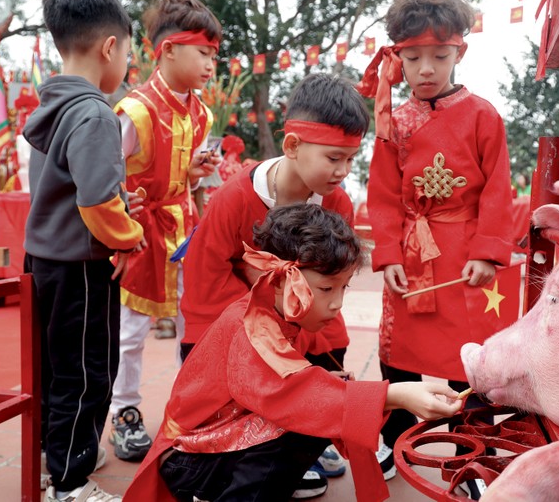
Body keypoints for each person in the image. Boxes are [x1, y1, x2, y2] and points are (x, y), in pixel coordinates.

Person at [125, 203, 463, 502]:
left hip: (212, 443)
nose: (337, 303)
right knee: (308, 418)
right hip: (189, 458)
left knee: (321, 404)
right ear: (279, 279)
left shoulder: (270, 312)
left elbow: (282, 386)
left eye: (343, 287)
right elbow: (291, 394)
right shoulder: (254, 328)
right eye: (326, 288)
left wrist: (334, 386)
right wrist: (395, 394)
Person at [178, 73, 394, 496]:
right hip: (241, 332)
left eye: (351, 159)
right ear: (293, 146)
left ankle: (303, 438)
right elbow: (205, 288)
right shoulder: (234, 198)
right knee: (257, 397)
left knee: (332, 364)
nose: (343, 171)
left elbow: (332, 284)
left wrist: (328, 368)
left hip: (305, 327)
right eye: (334, 158)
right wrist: (270, 319)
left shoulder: (338, 203)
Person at [356, 0, 514, 499]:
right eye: (414, 57)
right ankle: (391, 441)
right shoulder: (393, 123)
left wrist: (489, 253)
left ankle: (474, 454)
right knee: (398, 352)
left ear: (459, 53)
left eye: (439, 56)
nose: (427, 68)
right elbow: (381, 195)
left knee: (472, 361)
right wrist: (387, 255)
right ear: (398, 57)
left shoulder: (484, 115)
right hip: (411, 254)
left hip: (467, 256)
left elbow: (498, 188)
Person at [22, 0, 144, 502]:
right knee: (90, 372)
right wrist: (129, 236)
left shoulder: (51, 108)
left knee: (55, 368)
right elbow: (95, 205)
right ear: (109, 47)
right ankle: (70, 483)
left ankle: (58, 459)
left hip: (45, 260)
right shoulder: (95, 112)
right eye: (130, 55)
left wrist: (115, 205)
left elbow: (72, 192)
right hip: (82, 268)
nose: (127, 69)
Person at [108, 0, 222, 463]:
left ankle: (188, 410)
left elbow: (183, 179)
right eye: (203, 53)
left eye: (215, 55)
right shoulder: (134, 111)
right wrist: (123, 211)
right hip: (140, 233)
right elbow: (105, 174)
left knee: (190, 326)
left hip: (184, 230)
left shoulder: (201, 113)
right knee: (131, 330)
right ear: (168, 50)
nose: (211, 65)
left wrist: (193, 174)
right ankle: (124, 411)